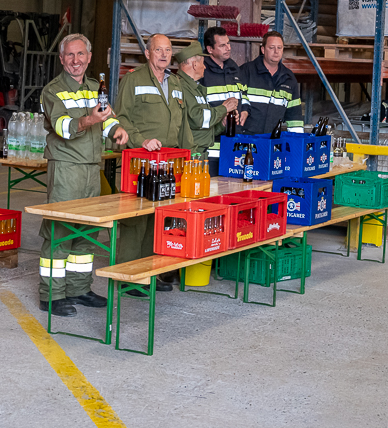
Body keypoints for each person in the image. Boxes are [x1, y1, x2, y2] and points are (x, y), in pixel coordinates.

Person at [37, 34, 128, 317]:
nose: (75, 60)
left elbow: (106, 118)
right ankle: (51, 295)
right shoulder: (53, 90)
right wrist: (90, 119)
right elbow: (62, 127)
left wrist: (116, 129)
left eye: (80, 55)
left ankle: (79, 288)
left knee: (87, 231)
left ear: (89, 58)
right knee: (60, 232)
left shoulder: (94, 88)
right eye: (70, 55)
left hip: (91, 167)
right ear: (61, 59)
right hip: (66, 168)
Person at [113, 34, 194, 285]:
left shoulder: (176, 83)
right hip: (141, 162)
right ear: (147, 53)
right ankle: (128, 277)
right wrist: (142, 140)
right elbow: (121, 118)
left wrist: (189, 156)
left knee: (157, 219)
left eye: (167, 50)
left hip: (169, 163)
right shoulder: (133, 79)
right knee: (136, 219)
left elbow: (183, 125)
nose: (163, 54)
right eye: (158, 50)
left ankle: (147, 275)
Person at [174, 40, 238, 156]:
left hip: (199, 152)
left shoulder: (195, 88)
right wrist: (223, 108)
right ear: (194, 64)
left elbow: (205, 127)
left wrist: (222, 123)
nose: (204, 67)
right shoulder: (181, 87)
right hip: (190, 153)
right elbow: (198, 119)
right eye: (203, 63)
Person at [201, 26, 247, 175]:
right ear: (210, 49)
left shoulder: (234, 67)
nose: (228, 48)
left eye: (228, 43)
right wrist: (221, 116)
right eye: (222, 45)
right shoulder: (202, 71)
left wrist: (245, 110)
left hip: (234, 144)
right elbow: (196, 110)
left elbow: (244, 93)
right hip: (212, 149)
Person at [238, 31, 303, 135]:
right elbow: (237, 100)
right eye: (272, 48)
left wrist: (298, 141)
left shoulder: (288, 78)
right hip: (245, 138)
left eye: (279, 48)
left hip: (272, 140)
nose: (276, 51)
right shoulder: (246, 71)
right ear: (263, 50)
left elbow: (295, 116)